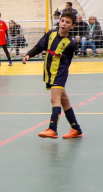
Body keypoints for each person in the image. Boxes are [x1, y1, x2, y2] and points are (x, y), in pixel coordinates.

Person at [23, 11, 83, 139]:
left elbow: (68, 61)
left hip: (60, 73)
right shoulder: (51, 34)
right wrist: (29, 54)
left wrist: (61, 74)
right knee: (64, 100)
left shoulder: (70, 43)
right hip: (50, 71)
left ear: (72, 26)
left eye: (68, 22)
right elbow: (40, 46)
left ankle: (52, 129)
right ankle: (76, 128)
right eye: (62, 21)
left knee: (54, 99)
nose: (64, 24)